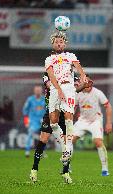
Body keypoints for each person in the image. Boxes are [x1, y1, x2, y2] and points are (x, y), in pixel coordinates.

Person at [30, 73, 89, 184]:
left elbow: (76, 88)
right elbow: (49, 86)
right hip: (51, 111)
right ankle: (34, 169)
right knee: (43, 139)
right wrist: (66, 86)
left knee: (68, 143)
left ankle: (65, 172)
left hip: (64, 112)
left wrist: (84, 85)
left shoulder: (70, 75)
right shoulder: (48, 74)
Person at [45, 31, 87, 167]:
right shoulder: (49, 59)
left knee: (69, 118)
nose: (59, 43)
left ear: (65, 44)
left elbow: (78, 67)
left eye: (61, 42)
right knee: (53, 123)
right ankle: (65, 147)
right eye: (56, 42)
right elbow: (51, 76)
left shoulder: (70, 55)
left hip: (68, 88)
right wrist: (58, 90)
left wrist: (83, 76)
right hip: (55, 89)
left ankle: (67, 150)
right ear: (53, 43)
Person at [73, 75, 113, 176]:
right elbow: (73, 108)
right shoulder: (78, 93)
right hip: (82, 120)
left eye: (88, 81)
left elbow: (108, 106)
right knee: (69, 141)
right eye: (84, 81)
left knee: (98, 142)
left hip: (95, 120)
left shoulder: (97, 92)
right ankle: (66, 167)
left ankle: (105, 169)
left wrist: (108, 122)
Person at [23, 85, 46, 157]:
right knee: (30, 134)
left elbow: (48, 110)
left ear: (41, 91)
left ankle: (41, 152)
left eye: (39, 90)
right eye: (36, 90)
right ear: (34, 91)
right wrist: (26, 121)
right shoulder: (30, 99)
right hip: (33, 120)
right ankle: (27, 151)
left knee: (44, 136)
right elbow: (25, 110)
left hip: (42, 120)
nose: (38, 91)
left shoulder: (45, 99)